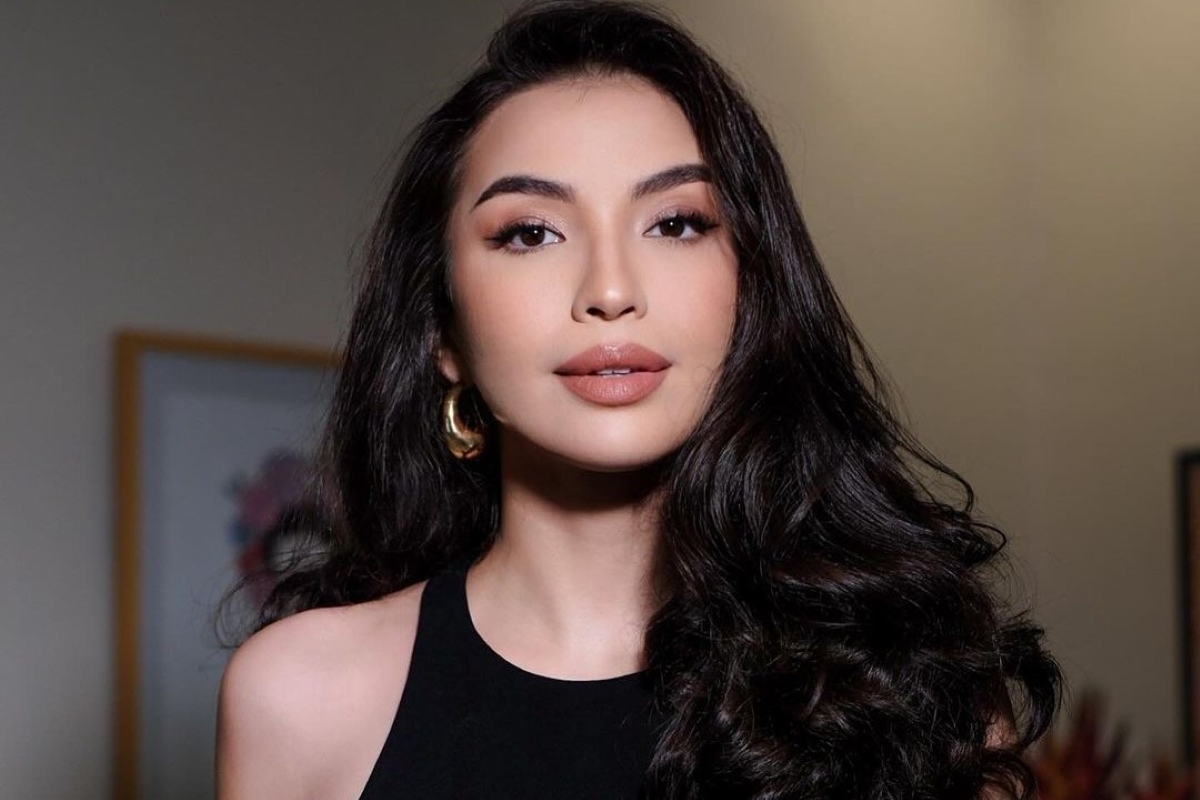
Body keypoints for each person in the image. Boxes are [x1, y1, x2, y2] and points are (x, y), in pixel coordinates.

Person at [215, 1, 1061, 797]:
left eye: (675, 223)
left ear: (752, 289)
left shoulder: (914, 680)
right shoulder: (301, 698)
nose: (611, 290)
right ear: (444, 329)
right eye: (531, 232)